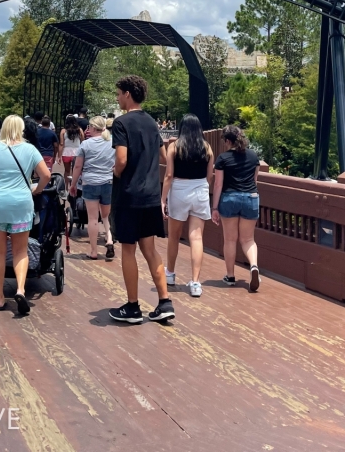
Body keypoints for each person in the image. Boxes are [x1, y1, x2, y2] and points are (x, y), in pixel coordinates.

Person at [0, 115, 51, 315]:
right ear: (21, 129)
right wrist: (36, 189)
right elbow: (46, 175)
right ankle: (21, 290)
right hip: (20, 203)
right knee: (20, 251)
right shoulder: (30, 149)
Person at [109, 76, 174, 324]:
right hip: (150, 196)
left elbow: (122, 159)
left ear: (127, 94)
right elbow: (164, 156)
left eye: (118, 93)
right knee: (150, 249)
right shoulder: (151, 123)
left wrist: (116, 171)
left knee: (128, 248)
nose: (117, 98)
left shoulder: (121, 123)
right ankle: (164, 302)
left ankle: (133, 306)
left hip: (129, 196)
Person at [162, 114, 214, 298]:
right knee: (197, 238)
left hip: (179, 191)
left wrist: (163, 199)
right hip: (200, 190)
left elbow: (169, 176)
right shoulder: (207, 148)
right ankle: (195, 282)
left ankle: (170, 274)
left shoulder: (174, 147)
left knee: (174, 237)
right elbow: (209, 176)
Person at [211, 125, 262, 293]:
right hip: (250, 198)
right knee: (248, 240)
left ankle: (230, 276)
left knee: (230, 240)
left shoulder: (223, 158)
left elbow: (218, 184)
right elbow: (255, 181)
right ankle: (253, 266)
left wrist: (215, 207)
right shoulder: (253, 156)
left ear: (228, 141)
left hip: (230, 198)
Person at [70, 116, 115, 260]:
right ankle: (109, 239)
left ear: (93, 128)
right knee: (106, 216)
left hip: (90, 182)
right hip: (108, 181)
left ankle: (94, 251)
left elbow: (78, 166)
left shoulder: (85, 144)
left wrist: (73, 184)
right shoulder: (113, 142)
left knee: (93, 218)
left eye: (89, 127)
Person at [60, 114, 84, 188]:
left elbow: (61, 144)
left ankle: (66, 187)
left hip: (66, 152)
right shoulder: (79, 130)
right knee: (76, 170)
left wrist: (58, 156)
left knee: (67, 171)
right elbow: (83, 141)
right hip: (77, 152)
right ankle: (74, 186)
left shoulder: (63, 131)